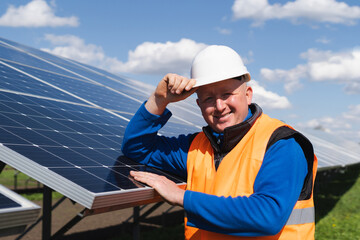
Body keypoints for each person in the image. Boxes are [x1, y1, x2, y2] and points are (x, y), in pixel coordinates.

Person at [122, 45, 318, 239]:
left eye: (227, 94)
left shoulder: (282, 144)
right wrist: (159, 100)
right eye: (208, 98)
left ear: (248, 94)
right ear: (198, 104)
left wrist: (181, 197)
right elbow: (137, 148)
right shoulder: (196, 148)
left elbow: (267, 216)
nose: (219, 106)